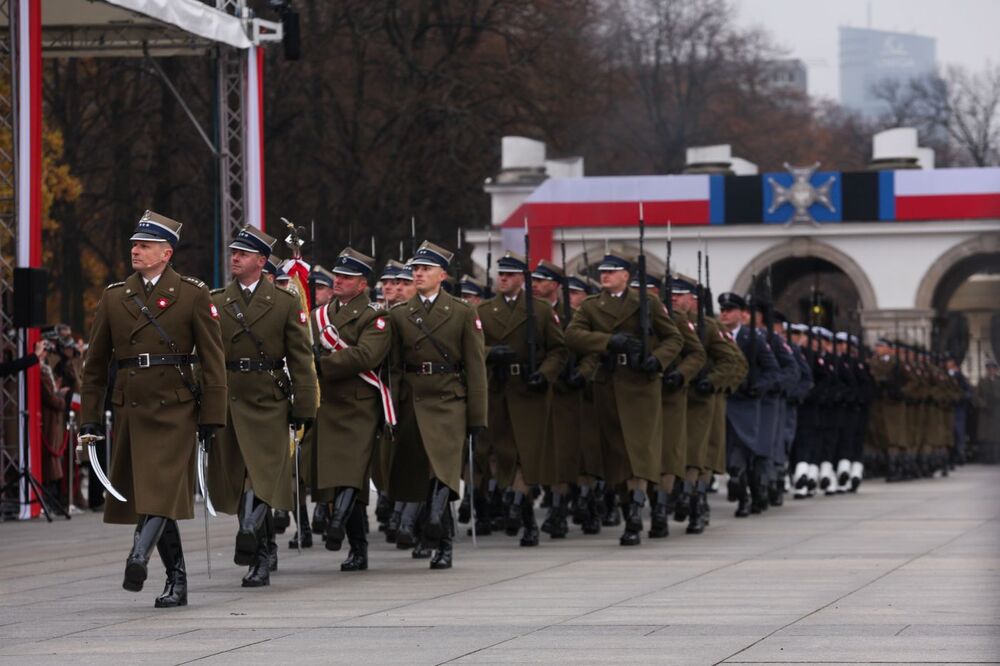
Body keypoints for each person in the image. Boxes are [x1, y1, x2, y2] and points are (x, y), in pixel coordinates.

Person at [80, 210, 227, 608]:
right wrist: (89, 416)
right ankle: (176, 580)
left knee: (159, 491)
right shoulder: (114, 297)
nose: (135, 250)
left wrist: (214, 414)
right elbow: (94, 366)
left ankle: (138, 555)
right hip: (132, 407)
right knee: (152, 495)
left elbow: (213, 360)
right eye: (134, 244)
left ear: (167, 252)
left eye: (144, 245)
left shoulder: (194, 294)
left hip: (176, 406)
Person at [207, 225, 318, 588]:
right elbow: (207, 356)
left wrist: (305, 406)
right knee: (241, 478)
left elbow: (302, 359)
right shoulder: (218, 301)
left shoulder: (285, 303)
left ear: (261, 260)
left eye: (243, 254)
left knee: (263, 476)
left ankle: (252, 535)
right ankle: (263, 550)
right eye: (233, 253)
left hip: (268, 400)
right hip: (231, 399)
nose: (235, 258)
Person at [566, 251, 683, 546]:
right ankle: (629, 505)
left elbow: (674, 339)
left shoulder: (648, 302)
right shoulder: (592, 306)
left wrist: (657, 360)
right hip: (609, 385)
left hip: (642, 386)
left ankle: (635, 514)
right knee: (617, 456)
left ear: (625, 276)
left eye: (611, 271)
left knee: (639, 452)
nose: (604, 275)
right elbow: (572, 335)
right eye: (602, 271)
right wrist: (607, 342)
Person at [386, 241, 487, 569]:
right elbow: (396, 367)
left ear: (442, 275)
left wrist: (476, 416)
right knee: (423, 473)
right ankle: (431, 532)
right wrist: (394, 409)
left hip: (449, 401)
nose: (418, 274)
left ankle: (443, 542)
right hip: (415, 401)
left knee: (443, 473)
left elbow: (475, 367)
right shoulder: (401, 314)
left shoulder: (461, 311)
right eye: (415, 269)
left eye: (425, 269)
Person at [477, 253, 567, 546]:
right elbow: (474, 347)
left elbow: (558, 350)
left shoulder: (539, 310)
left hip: (530, 392)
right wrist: (492, 353)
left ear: (521, 279)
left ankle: (517, 502)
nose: (503, 278)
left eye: (509, 274)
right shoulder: (485, 311)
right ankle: (527, 520)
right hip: (499, 389)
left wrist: (544, 374)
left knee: (526, 457)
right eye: (500, 274)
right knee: (505, 456)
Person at [313, 248, 392, 572]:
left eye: (346, 277)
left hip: (360, 405)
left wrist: (322, 364)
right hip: (328, 404)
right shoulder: (321, 314)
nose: (338, 280)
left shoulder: (374, 317)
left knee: (352, 471)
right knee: (336, 475)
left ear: (362, 284)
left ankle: (338, 526)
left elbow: (365, 356)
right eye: (337, 275)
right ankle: (357, 548)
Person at [716, 292, 779, 517]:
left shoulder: (753, 338)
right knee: (730, 453)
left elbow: (772, 369)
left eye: (730, 310)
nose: (724, 314)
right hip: (722, 401)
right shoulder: (715, 335)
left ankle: (748, 495)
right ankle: (741, 491)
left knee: (744, 453)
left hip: (746, 404)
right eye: (722, 310)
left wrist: (758, 386)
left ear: (741, 314)